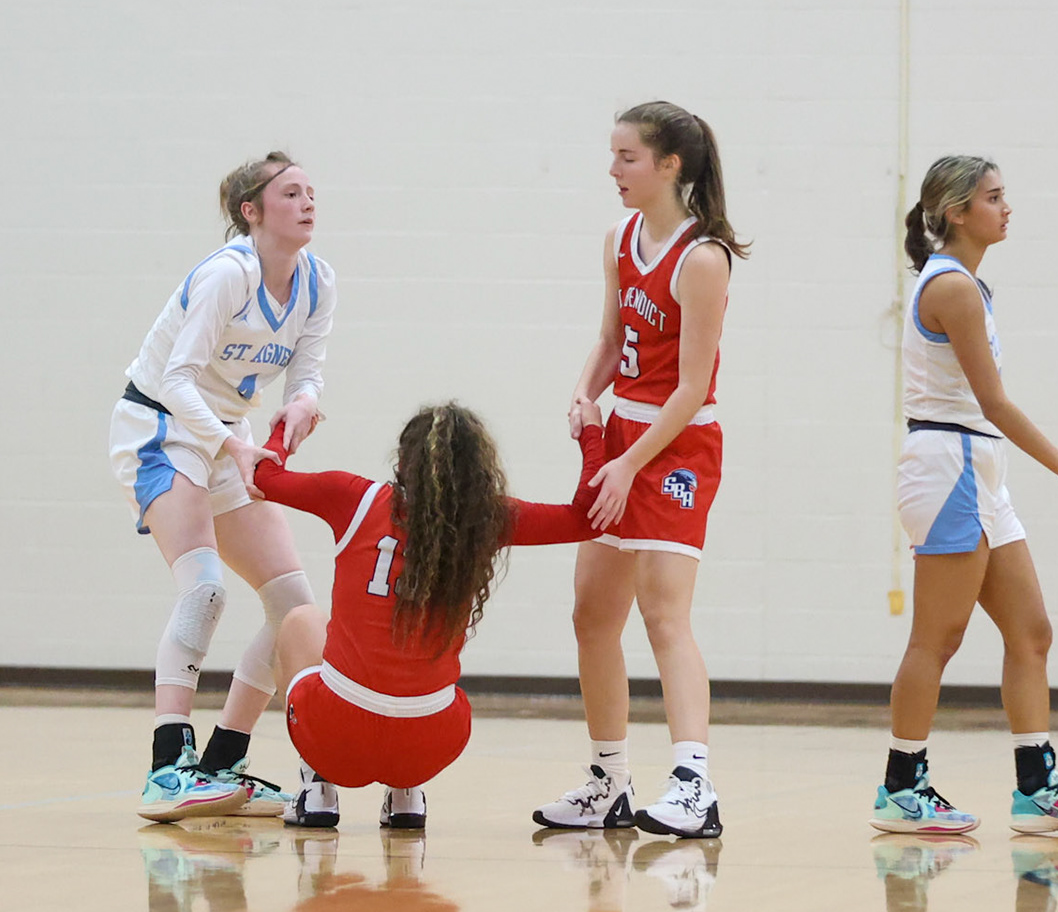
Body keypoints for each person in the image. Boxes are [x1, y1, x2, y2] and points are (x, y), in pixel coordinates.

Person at [871, 155, 1058, 836]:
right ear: (956, 212)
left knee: (1031, 632)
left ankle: (1037, 789)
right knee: (938, 638)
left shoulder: (970, 287)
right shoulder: (950, 288)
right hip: (948, 465)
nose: (1007, 208)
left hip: (976, 467)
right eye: (994, 198)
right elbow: (995, 404)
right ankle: (901, 787)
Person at [535, 101, 747, 841]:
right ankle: (608, 781)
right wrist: (582, 391)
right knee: (593, 611)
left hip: (677, 444)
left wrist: (628, 462)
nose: (613, 169)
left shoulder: (703, 258)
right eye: (614, 154)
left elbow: (691, 388)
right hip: (625, 432)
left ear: (669, 166)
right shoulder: (620, 238)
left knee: (663, 611)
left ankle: (694, 785)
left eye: (627, 156)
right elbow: (610, 336)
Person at [254, 401, 607, 829]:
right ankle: (406, 795)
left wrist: (286, 430)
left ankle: (318, 786)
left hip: (337, 736)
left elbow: (263, 478)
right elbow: (587, 518)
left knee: (299, 620)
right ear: (478, 468)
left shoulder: (355, 497)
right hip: (430, 743)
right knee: (430, 688)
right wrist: (592, 434)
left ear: (402, 462)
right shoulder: (490, 519)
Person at [110, 153, 333, 823]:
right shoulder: (226, 275)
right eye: (290, 192)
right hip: (160, 426)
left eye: (310, 192)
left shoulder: (317, 280)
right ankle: (166, 770)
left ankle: (221, 762)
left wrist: (303, 404)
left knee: (294, 606)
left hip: (225, 435)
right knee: (205, 586)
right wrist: (231, 444)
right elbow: (177, 380)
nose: (307, 201)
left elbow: (307, 372)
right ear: (252, 211)